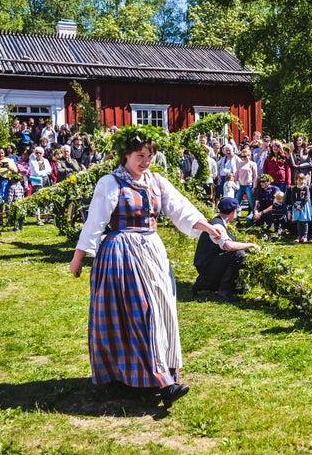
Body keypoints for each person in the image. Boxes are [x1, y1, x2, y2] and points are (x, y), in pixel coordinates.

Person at [69, 126, 223, 407]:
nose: (146, 161)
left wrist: (207, 227)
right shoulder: (110, 183)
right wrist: (78, 259)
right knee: (141, 312)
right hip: (121, 254)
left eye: (149, 156)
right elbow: (95, 223)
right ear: (125, 154)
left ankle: (161, 371)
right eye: (140, 155)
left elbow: (180, 208)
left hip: (152, 251)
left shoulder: (155, 181)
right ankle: (162, 381)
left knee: (162, 308)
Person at [192, 197, 259, 302]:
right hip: (207, 268)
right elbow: (228, 246)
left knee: (238, 251)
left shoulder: (220, 223)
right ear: (233, 212)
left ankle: (229, 285)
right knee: (239, 254)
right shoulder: (217, 226)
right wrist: (250, 245)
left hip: (210, 263)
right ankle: (224, 288)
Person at [287, 172, 312, 243]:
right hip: (296, 206)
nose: (300, 181)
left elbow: (307, 198)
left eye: (302, 180)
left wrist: (301, 205)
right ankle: (299, 236)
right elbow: (292, 199)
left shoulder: (306, 188)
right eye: (299, 180)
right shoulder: (294, 188)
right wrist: (295, 205)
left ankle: (305, 236)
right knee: (298, 221)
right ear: (296, 180)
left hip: (303, 205)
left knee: (304, 221)